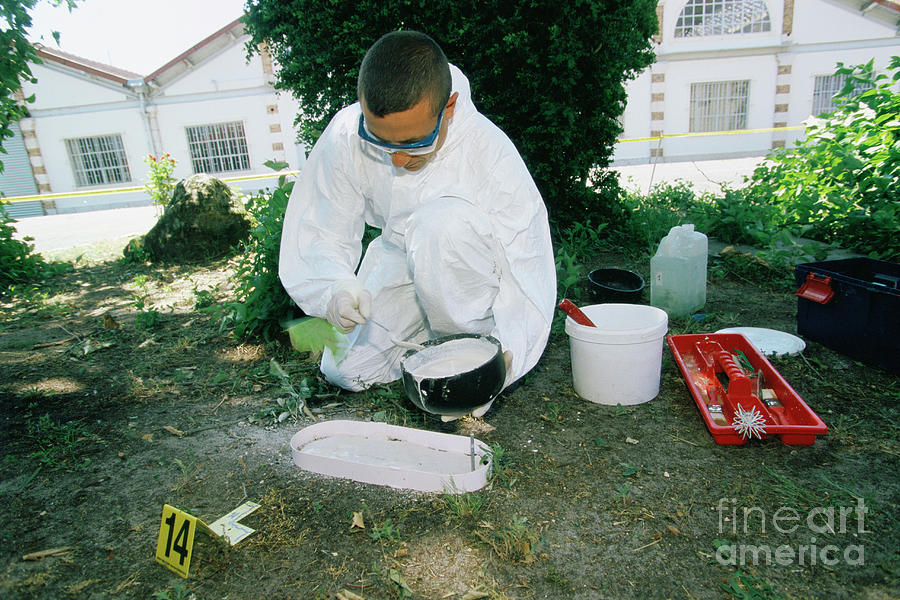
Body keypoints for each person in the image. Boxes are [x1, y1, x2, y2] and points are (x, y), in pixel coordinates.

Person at [279, 30, 556, 418]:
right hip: (401, 256)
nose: (396, 160)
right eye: (381, 142)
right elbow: (320, 228)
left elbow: (527, 265)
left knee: (438, 225)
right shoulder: (345, 135)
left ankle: (471, 345)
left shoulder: (488, 153)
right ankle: (427, 334)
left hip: (469, 269)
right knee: (346, 371)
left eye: (413, 143)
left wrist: (507, 354)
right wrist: (336, 289)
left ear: (450, 108)